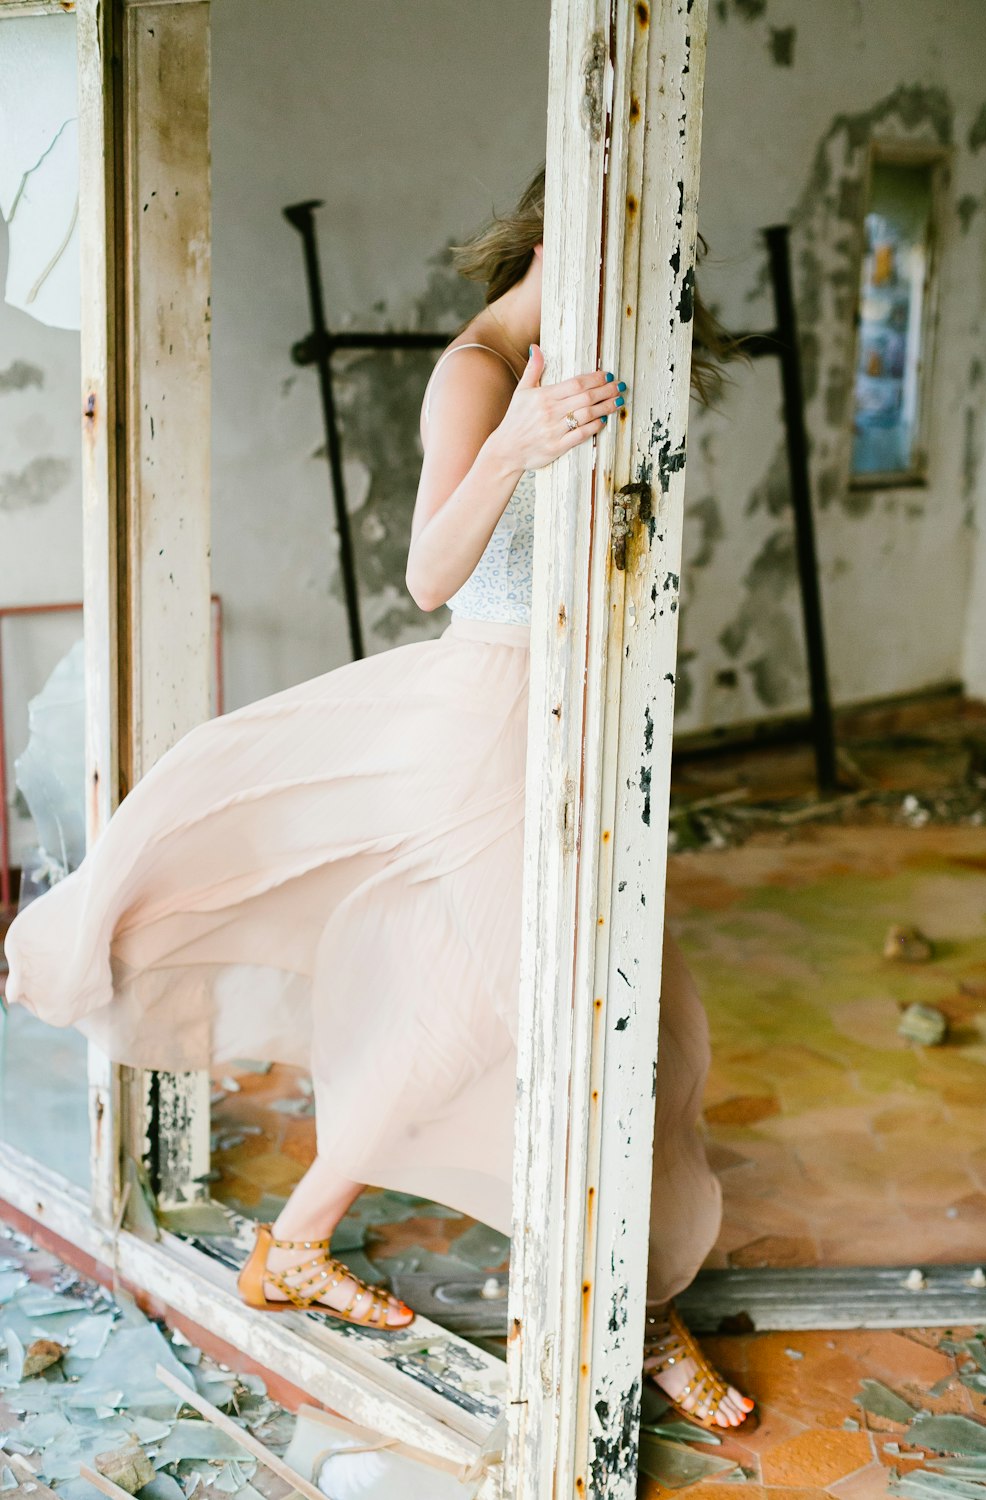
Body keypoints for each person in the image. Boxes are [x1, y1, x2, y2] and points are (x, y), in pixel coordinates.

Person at [4, 167, 753, 1430]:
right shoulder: (476, 369)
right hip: (488, 719)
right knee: (586, 1026)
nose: (654, 278)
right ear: (555, 235)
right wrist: (517, 440)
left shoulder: (599, 366)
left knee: (579, 1019)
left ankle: (302, 1245)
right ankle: (624, 1310)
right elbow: (426, 573)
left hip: (569, 727)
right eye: (635, 246)